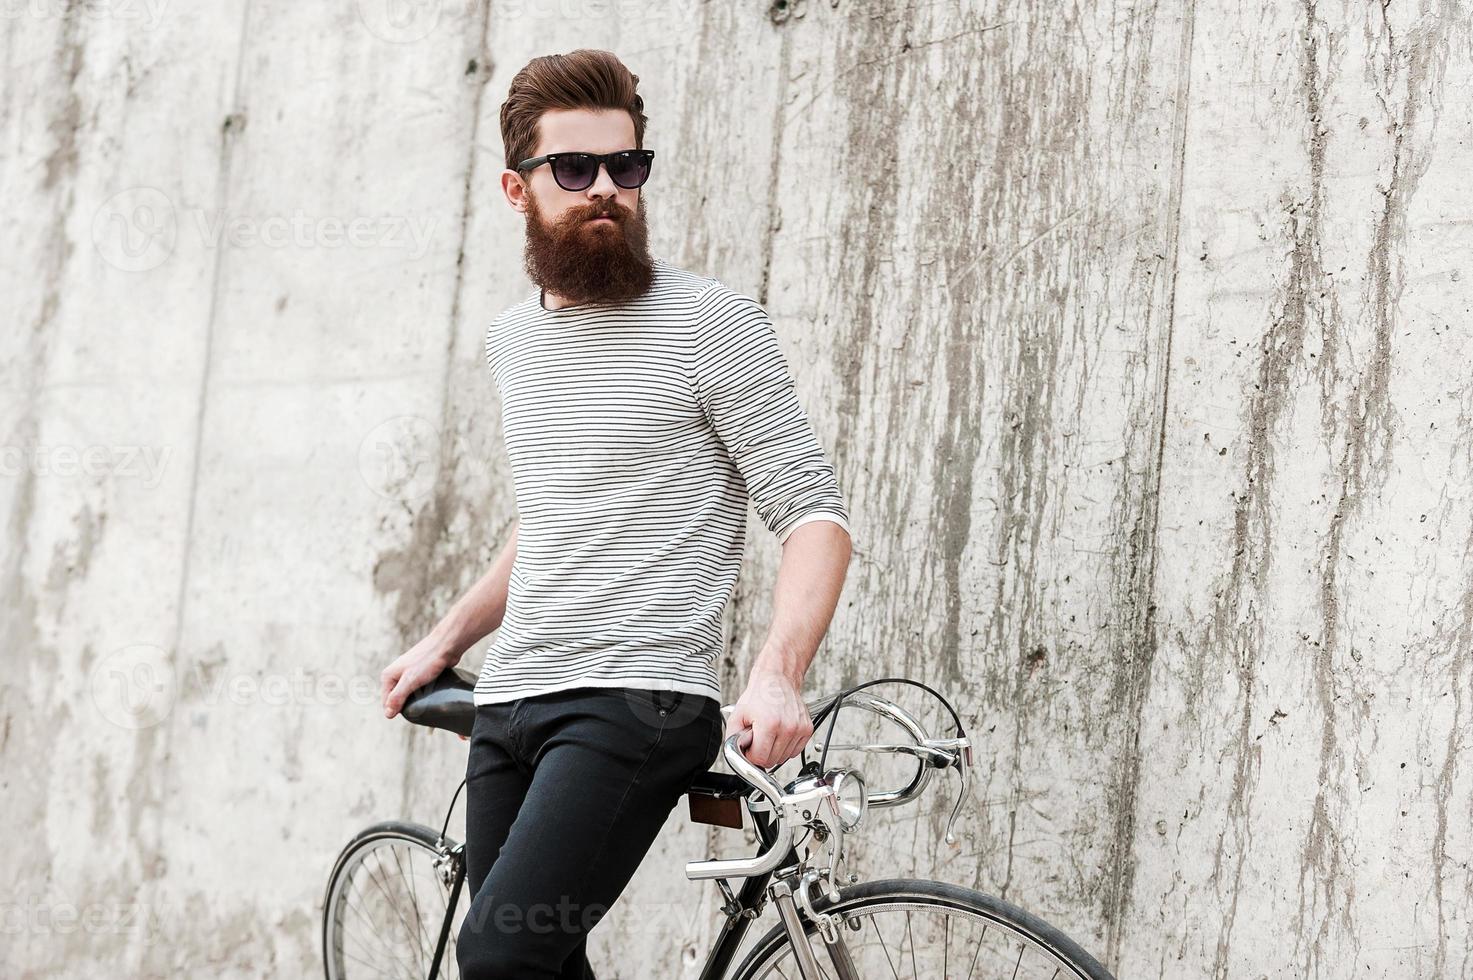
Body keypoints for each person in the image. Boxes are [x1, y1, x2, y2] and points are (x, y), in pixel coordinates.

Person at [378, 48, 853, 980]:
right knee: (549, 964)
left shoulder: (710, 322)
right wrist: (443, 639)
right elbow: (548, 521)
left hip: (635, 700)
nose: (606, 188)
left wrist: (775, 673)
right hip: (510, 703)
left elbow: (813, 517)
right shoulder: (514, 342)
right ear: (518, 190)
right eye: (575, 169)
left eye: (625, 167)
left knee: (500, 957)